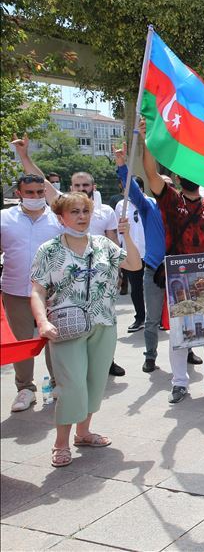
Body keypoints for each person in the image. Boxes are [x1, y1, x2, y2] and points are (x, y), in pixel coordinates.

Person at [30, 192, 142, 467]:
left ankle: (83, 433)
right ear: (61, 217)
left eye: (85, 211)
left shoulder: (104, 244)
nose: (82, 217)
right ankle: (60, 443)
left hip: (103, 323)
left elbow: (135, 265)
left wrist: (125, 236)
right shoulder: (49, 250)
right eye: (75, 212)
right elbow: (37, 290)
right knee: (72, 386)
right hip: (66, 327)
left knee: (94, 383)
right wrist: (43, 321)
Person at [13, 136, 126, 377]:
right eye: (77, 186)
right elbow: (42, 182)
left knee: (101, 328)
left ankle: (106, 363)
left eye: (86, 186)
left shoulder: (105, 211)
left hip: (99, 278)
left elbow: (114, 243)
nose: (82, 190)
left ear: (93, 188)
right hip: (69, 286)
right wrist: (25, 157)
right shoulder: (63, 206)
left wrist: (118, 273)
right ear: (70, 190)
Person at [141, 135, 204, 403]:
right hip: (178, 280)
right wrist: (149, 140)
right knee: (180, 334)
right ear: (179, 179)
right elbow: (150, 172)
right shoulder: (170, 201)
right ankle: (179, 382)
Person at [114, 136, 202, 373]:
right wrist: (123, 165)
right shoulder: (148, 206)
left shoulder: (184, 208)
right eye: (160, 185)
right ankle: (150, 356)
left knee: (185, 316)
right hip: (154, 270)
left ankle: (189, 351)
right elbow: (132, 189)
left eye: (169, 186)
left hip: (181, 271)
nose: (165, 189)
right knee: (152, 319)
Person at [1, 172, 61, 413]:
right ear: (19, 194)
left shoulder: (57, 219)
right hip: (15, 291)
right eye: (30, 193)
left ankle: (59, 384)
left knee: (55, 340)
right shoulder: (4, 218)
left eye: (40, 192)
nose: (35, 197)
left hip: (53, 292)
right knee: (22, 342)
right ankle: (25, 389)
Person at [114, 176, 147, 333]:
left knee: (155, 288)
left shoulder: (151, 203)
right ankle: (140, 317)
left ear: (141, 189)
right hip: (131, 254)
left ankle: (159, 318)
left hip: (150, 253)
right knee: (136, 288)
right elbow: (117, 230)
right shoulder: (121, 205)